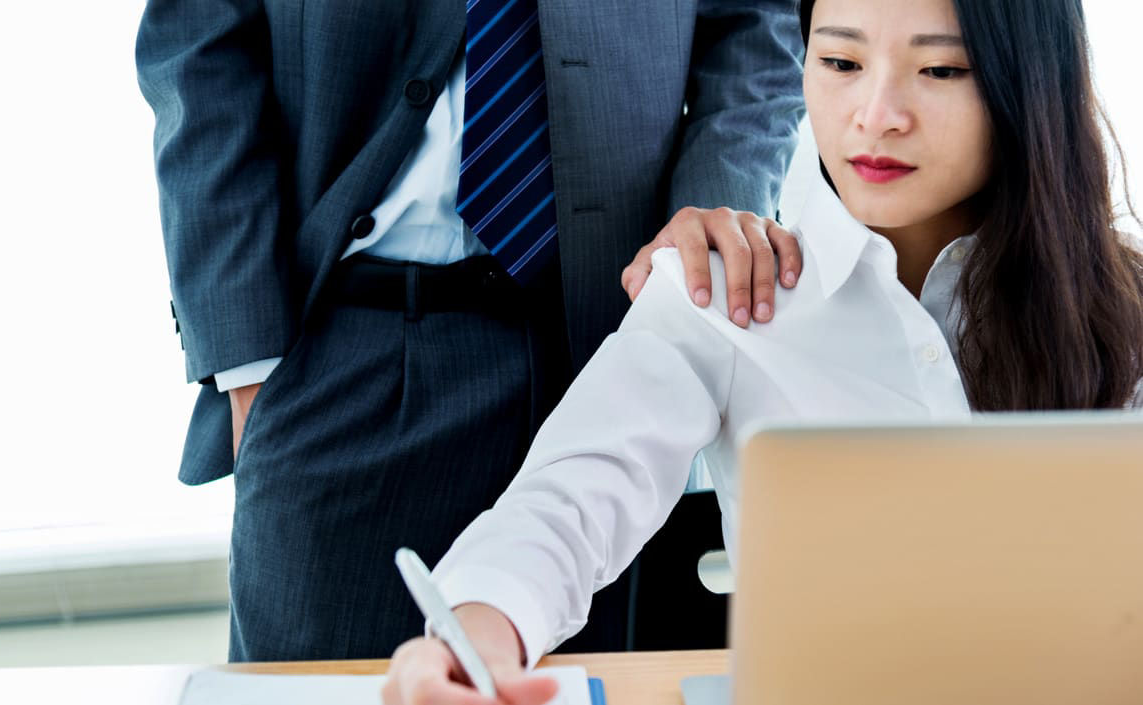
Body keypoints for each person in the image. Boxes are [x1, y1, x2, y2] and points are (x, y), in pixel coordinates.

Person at [382, 0, 1143, 700]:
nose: (875, 116)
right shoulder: (732, 291)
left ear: (1028, 85)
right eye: (840, 63)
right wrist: (474, 632)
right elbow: (571, 496)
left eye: (939, 70)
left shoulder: (1122, 302)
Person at [134, 1, 807, 661]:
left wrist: (704, 247)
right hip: (347, 357)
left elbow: (756, 30)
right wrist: (250, 370)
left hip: (612, 348)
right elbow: (199, 44)